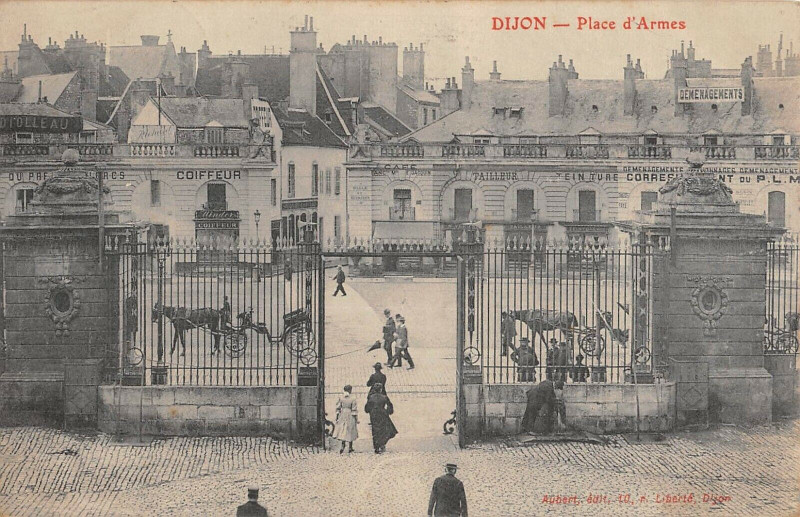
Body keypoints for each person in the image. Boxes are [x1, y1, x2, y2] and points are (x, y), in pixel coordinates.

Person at [364, 382, 397, 454]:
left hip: (374, 415)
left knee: (375, 430)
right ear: (381, 389)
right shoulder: (384, 397)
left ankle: (376, 447)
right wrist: (388, 412)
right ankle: (382, 443)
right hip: (382, 414)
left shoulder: (371, 397)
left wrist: (370, 411)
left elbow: (367, 408)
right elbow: (390, 406)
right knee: (384, 429)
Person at [332, 385, 359, 454]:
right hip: (350, 414)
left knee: (343, 429)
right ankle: (350, 447)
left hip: (343, 414)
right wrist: (356, 418)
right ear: (350, 390)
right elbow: (354, 409)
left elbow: (338, 408)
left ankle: (342, 446)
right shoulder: (353, 398)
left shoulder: (341, 398)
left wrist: (337, 417)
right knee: (350, 429)